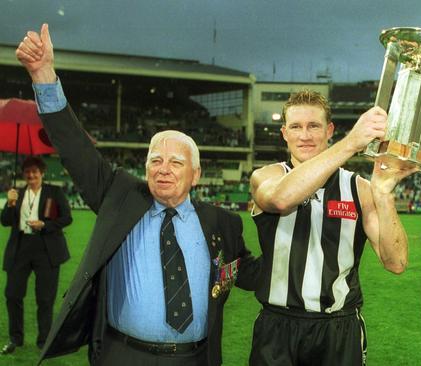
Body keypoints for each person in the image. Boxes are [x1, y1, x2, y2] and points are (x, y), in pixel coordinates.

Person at [16, 24, 259, 366]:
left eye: (176, 162)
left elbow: (250, 272)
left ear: (196, 175)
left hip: (195, 358)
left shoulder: (224, 224)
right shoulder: (119, 197)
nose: (163, 168)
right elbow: (75, 148)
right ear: (144, 169)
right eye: (155, 160)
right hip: (122, 355)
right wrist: (43, 74)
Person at [248, 89, 417, 365]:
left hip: (339, 328)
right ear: (284, 133)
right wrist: (351, 143)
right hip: (278, 327)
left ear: (329, 130)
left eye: (313, 126)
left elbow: (396, 262)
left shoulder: (358, 189)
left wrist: (384, 193)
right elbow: (280, 199)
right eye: (296, 127)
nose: (304, 135)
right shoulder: (268, 176)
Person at [1, 157, 72, 354]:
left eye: (34, 172)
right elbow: (5, 222)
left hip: (46, 248)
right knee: (12, 294)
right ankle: (15, 338)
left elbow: (67, 218)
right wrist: (10, 203)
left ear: (42, 173)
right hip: (21, 247)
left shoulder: (54, 192)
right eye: (27, 172)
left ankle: (44, 341)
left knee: (45, 298)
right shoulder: (17, 193)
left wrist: (45, 225)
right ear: (24, 175)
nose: (31, 175)